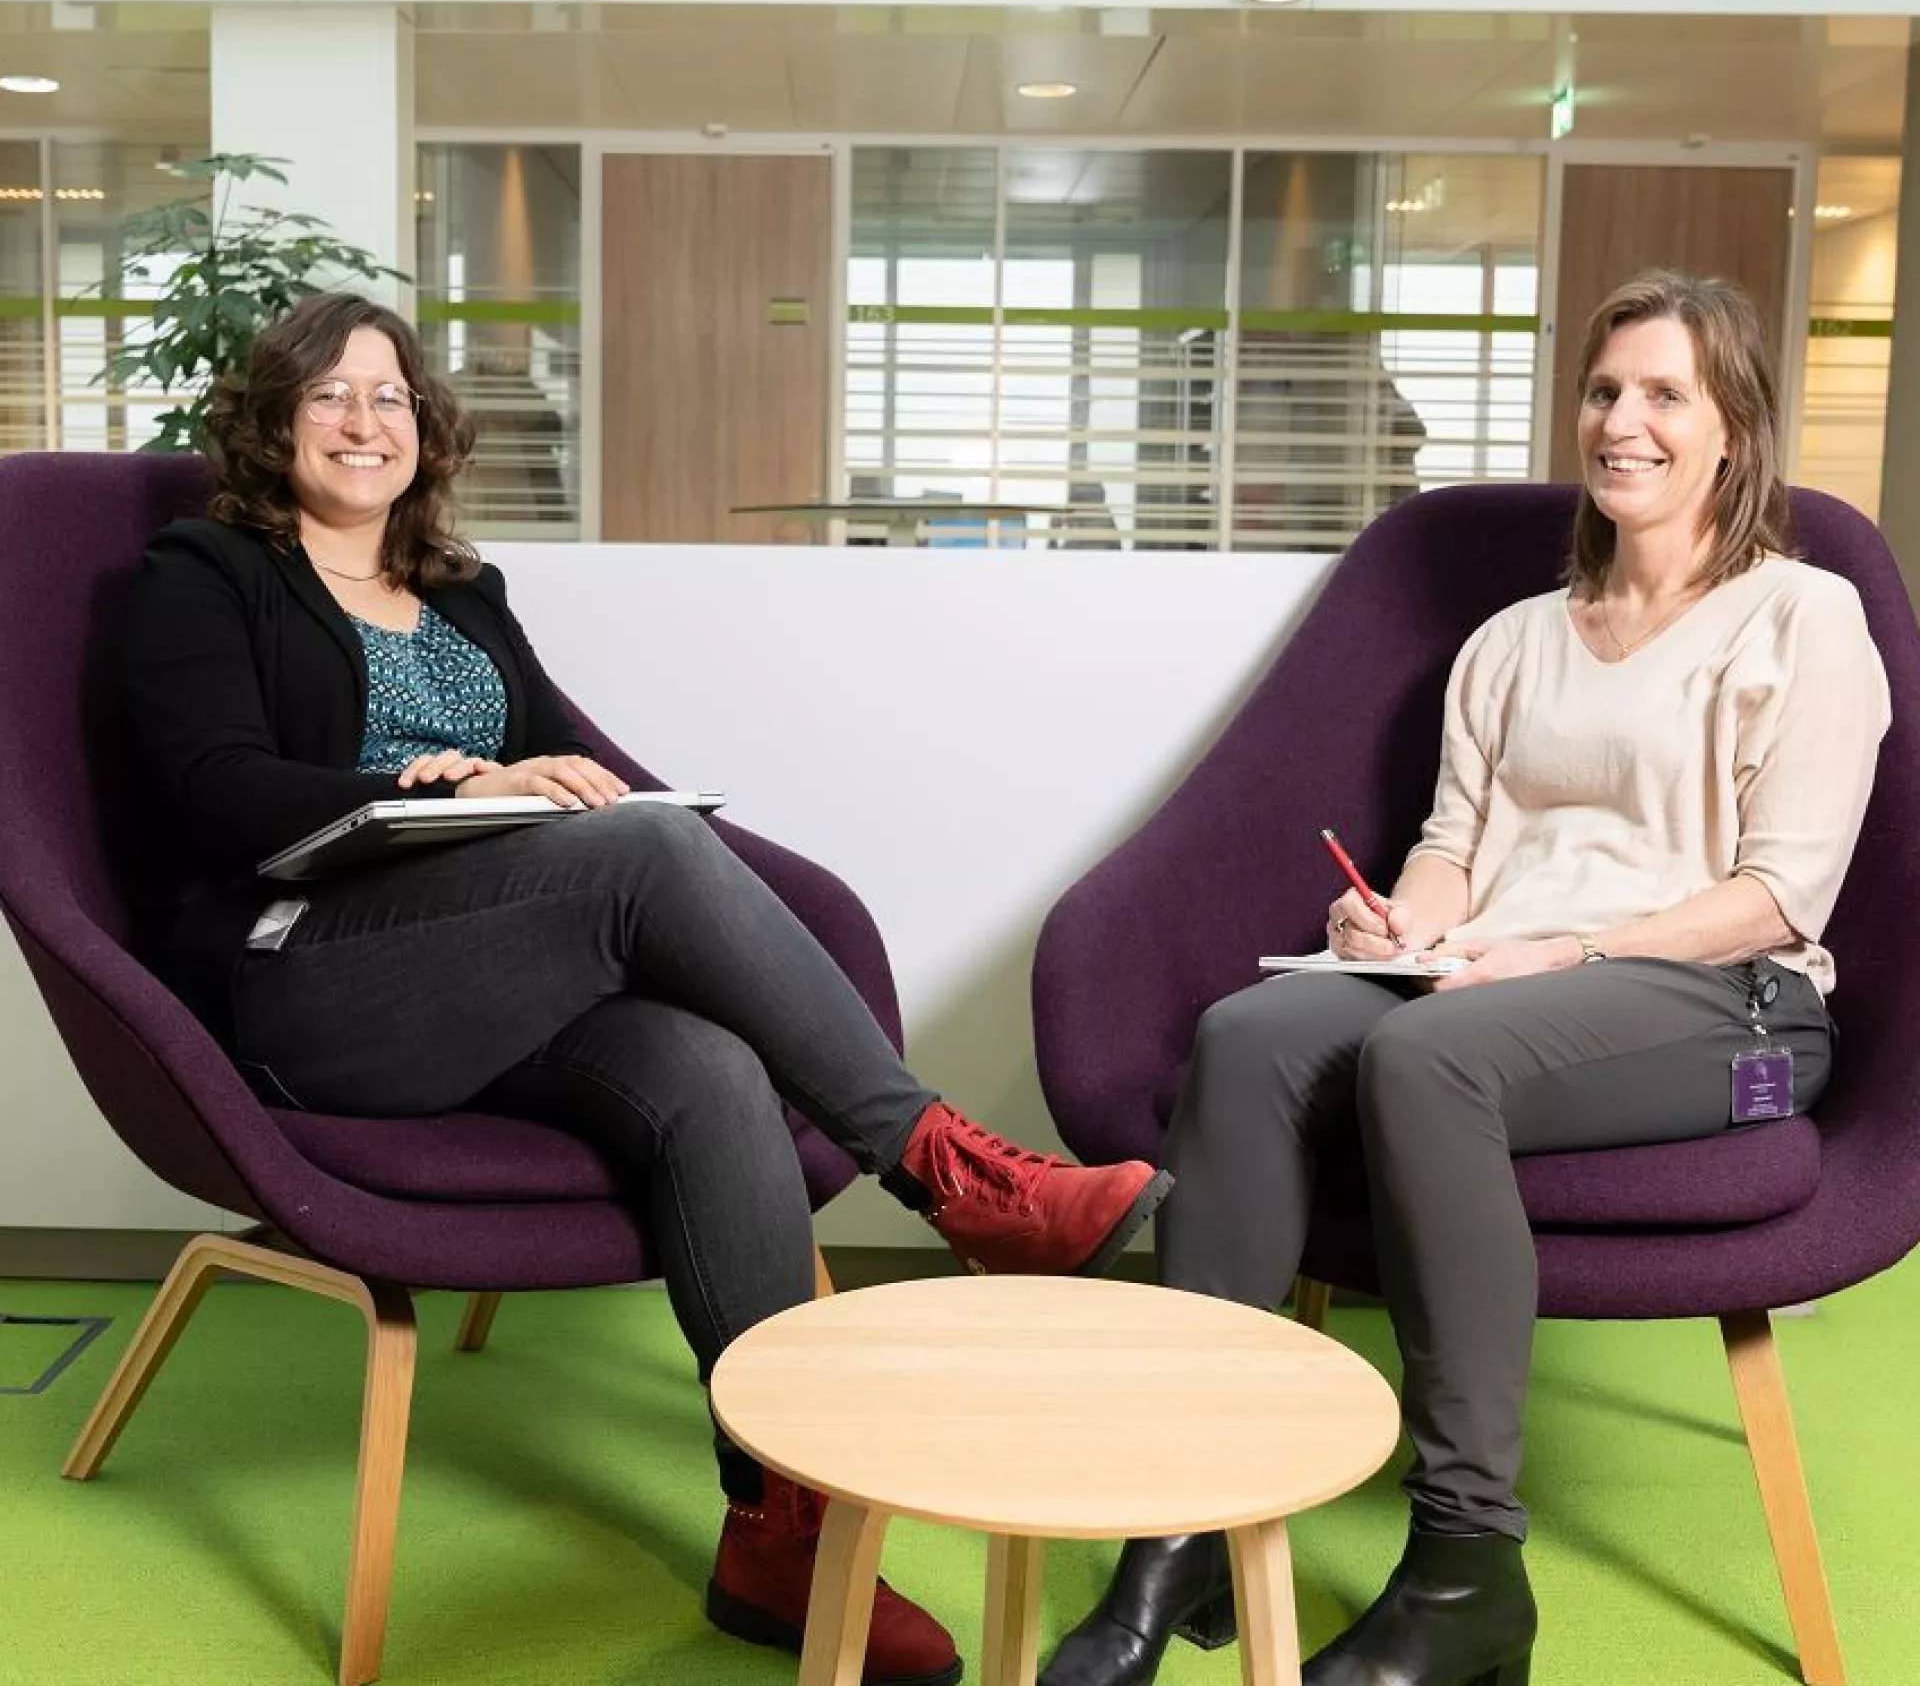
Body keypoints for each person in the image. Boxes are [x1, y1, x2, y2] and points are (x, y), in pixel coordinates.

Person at [117, 290, 1173, 1686]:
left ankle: (777, 1530)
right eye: (329, 396)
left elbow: (567, 763)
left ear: (424, 428)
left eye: (388, 396)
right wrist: (421, 787)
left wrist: (539, 784)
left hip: (487, 978)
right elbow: (208, 793)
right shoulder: (204, 573)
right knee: (652, 858)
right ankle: (948, 1173)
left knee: (706, 1069)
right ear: (274, 421)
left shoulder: (463, 595)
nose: (363, 422)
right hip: (314, 983)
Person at [1040, 269, 1890, 1686]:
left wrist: (1562, 950)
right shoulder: (1510, 642)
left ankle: (1465, 1572)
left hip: (1722, 999)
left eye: (1666, 394)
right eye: (1606, 391)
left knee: (1425, 1060)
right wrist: (1390, 922)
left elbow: (1777, 895)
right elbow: (1454, 847)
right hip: (1493, 974)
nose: (1625, 421)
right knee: (1249, 1035)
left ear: (1732, 426)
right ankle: (1184, 1524)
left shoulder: (1804, 619)